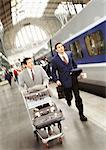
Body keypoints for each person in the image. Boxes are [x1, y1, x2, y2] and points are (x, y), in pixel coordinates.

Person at [51, 42, 87, 121]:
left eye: (62, 46)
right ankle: (68, 99)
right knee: (69, 96)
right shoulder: (54, 60)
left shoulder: (69, 54)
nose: (61, 48)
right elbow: (53, 72)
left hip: (74, 79)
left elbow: (74, 65)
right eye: (59, 47)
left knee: (78, 97)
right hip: (64, 82)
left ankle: (81, 114)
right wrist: (56, 80)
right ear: (56, 50)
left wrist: (78, 73)